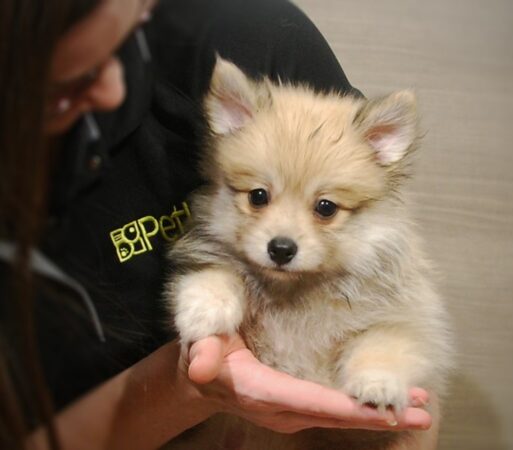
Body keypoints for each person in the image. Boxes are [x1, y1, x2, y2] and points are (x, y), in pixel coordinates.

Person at [0, 0, 439, 448]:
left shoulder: (252, 38)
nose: (114, 89)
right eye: (259, 198)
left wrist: (383, 374)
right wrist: (187, 389)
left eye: (324, 208)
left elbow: (408, 365)